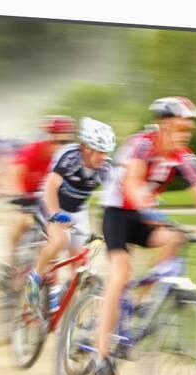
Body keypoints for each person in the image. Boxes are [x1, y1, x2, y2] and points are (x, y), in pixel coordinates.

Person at [93, 96, 196, 375]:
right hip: (118, 212)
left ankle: (143, 304)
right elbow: (132, 181)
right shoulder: (143, 144)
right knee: (120, 274)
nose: (186, 134)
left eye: (189, 129)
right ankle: (101, 355)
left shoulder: (185, 156)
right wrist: (146, 208)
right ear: (165, 125)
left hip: (144, 215)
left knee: (176, 238)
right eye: (181, 128)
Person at [25, 117, 116, 314]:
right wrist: (57, 215)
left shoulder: (106, 167)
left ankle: (72, 319)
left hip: (77, 210)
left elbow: (114, 200)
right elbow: (50, 188)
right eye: (99, 151)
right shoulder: (69, 156)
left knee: (79, 262)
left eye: (106, 152)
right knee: (59, 240)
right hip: (52, 202)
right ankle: (35, 278)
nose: (103, 157)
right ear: (85, 147)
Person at [6, 116, 77, 270]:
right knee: (22, 222)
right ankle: (11, 262)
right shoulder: (33, 150)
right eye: (59, 142)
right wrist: (18, 194)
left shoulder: (68, 158)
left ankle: (48, 276)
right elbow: (15, 174)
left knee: (56, 235)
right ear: (49, 138)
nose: (63, 147)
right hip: (28, 196)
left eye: (67, 142)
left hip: (47, 199)